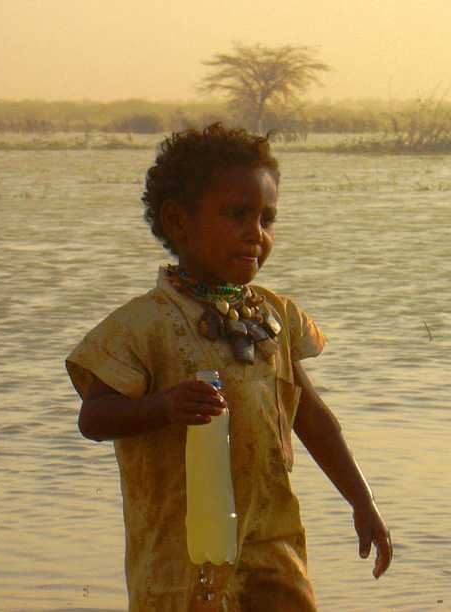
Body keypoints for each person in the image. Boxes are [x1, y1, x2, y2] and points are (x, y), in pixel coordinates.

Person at [65, 123, 392, 611]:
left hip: (272, 541)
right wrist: (164, 408)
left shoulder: (275, 317)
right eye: (237, 215)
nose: (255, 234)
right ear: (178, 222)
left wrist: (362, 501)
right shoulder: (142, 326)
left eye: (267, 219)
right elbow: (94, 419)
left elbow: (312, 417)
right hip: (181, 557)